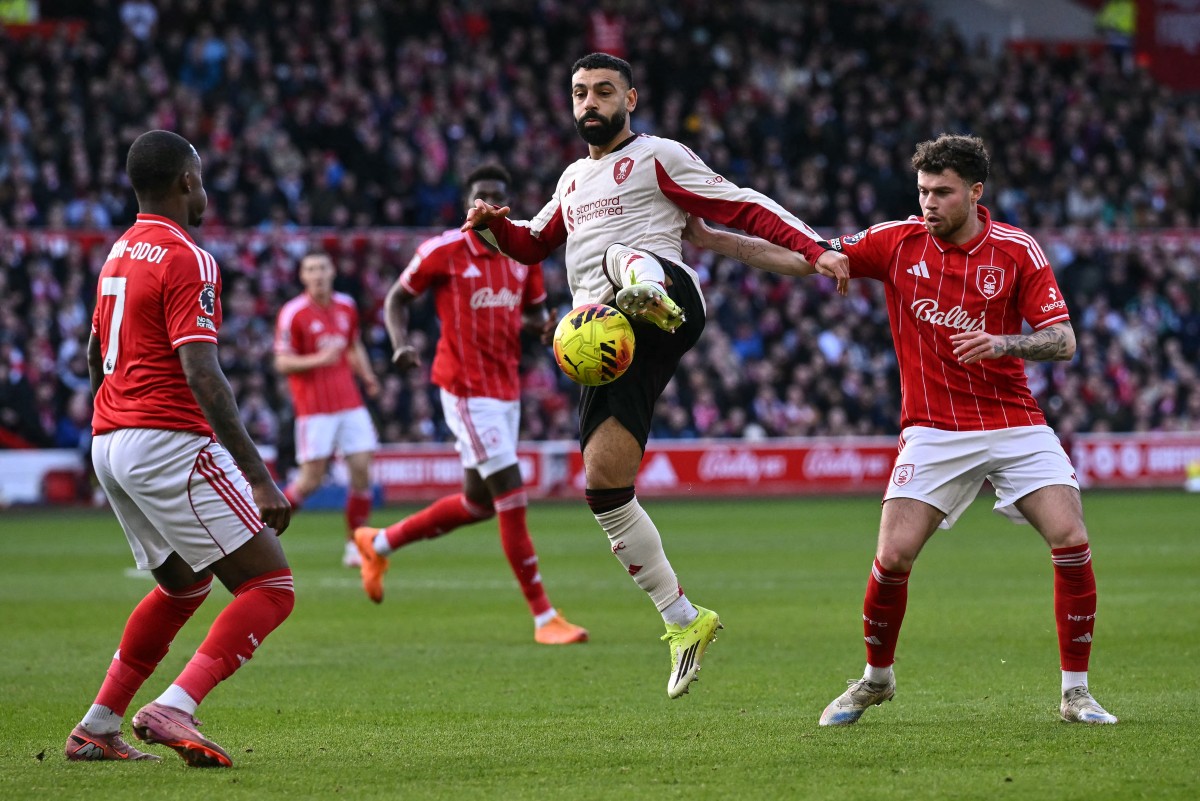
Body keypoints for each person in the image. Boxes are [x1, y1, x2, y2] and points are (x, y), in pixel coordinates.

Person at [683, 133, 1117, 725]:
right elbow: (807, 256)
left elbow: (1063, 340)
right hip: (933, 429)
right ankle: (875, 681)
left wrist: (1002, 342)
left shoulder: (1018, 251)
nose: (929, 203)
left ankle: (1076, 694)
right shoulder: (895, 242)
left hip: (1014, 421)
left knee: (1071, 538)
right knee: (891, 557)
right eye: (923, 191)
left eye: (942, 192)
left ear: (976, 192)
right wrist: (715, 241)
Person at [459, 53, 849, 697]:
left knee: (622, 257)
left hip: (668, 301)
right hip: (605, 340)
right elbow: (532, 243)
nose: (591, 102)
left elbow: (741, 206)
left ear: (631, 99)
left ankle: (641, 287)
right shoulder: (572, 181)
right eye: (580, 91)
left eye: (604, 91)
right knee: (604, 486)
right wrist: (495, 226)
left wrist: (818, 247)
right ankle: (683, 620)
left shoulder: (657, 157)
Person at [64, 130, 294, 768]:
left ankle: (96, 726)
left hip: (110, 440)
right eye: (200, 178)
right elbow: (201, 372)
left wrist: (108, 426)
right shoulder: (187, 256)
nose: (205, 188)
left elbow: (92, 352)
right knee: (271, 585)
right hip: (167, 441)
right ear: (186, 182)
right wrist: (259, 476)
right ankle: (175, 706)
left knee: (184, 585)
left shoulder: (119, 251)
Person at [354, 164, 588, 646]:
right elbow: (397, 298)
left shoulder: (525, 254)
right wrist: (399, 344)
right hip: (464, 390)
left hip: (506, 389)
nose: (486, 204)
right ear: (467, 203)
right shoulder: (443, 251)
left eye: (496, 197)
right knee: (512, 493)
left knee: (478, 502)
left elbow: (533, 318)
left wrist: (547, 331)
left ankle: (376, 543)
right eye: (479, 196)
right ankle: (545, 618)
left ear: (506, 205)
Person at [275, 250, 381, 568]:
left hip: (350, 402)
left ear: (332, 271)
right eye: (311, 269)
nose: (318, 274)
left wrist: (367, 376)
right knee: (310, 482)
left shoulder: (347, 306)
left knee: (362, 467)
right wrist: (317, 360)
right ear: (303, 276)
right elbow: (282, 362)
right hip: (314, 409)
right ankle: (255, 531)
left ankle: (355, 546)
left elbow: (352, 345)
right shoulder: (293, 313)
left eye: (322, 267)